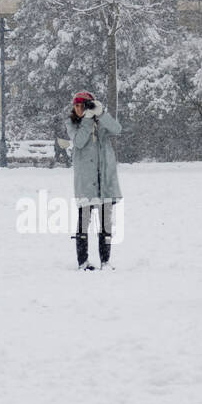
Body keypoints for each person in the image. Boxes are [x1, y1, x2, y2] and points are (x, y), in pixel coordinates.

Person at [67, 89, 122, 270]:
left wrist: (101, 113)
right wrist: (88, 120)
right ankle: (83, 262)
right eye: (75, 106)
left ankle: (105, 261)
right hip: (86, 181)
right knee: (84, 221)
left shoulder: (100, 122)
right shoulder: (73, 124)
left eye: (81, 105)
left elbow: (117, 129)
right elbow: (79, 141)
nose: (78, 109)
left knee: (106, 223)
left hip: (104, 180)